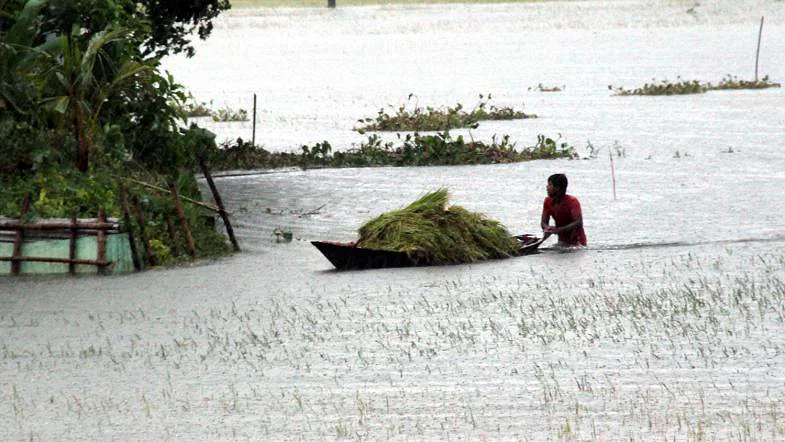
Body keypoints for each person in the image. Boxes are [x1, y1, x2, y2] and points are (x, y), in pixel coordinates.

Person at [540, 173, 587, 247]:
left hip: (578, 243)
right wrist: (547, 228)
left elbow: (578, 222)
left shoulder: (572, 201)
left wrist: (559, 230)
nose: (547, 187)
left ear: (558, 188)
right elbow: (543, 222)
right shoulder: (547, 201)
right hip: (562, 241)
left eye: (550, 185)